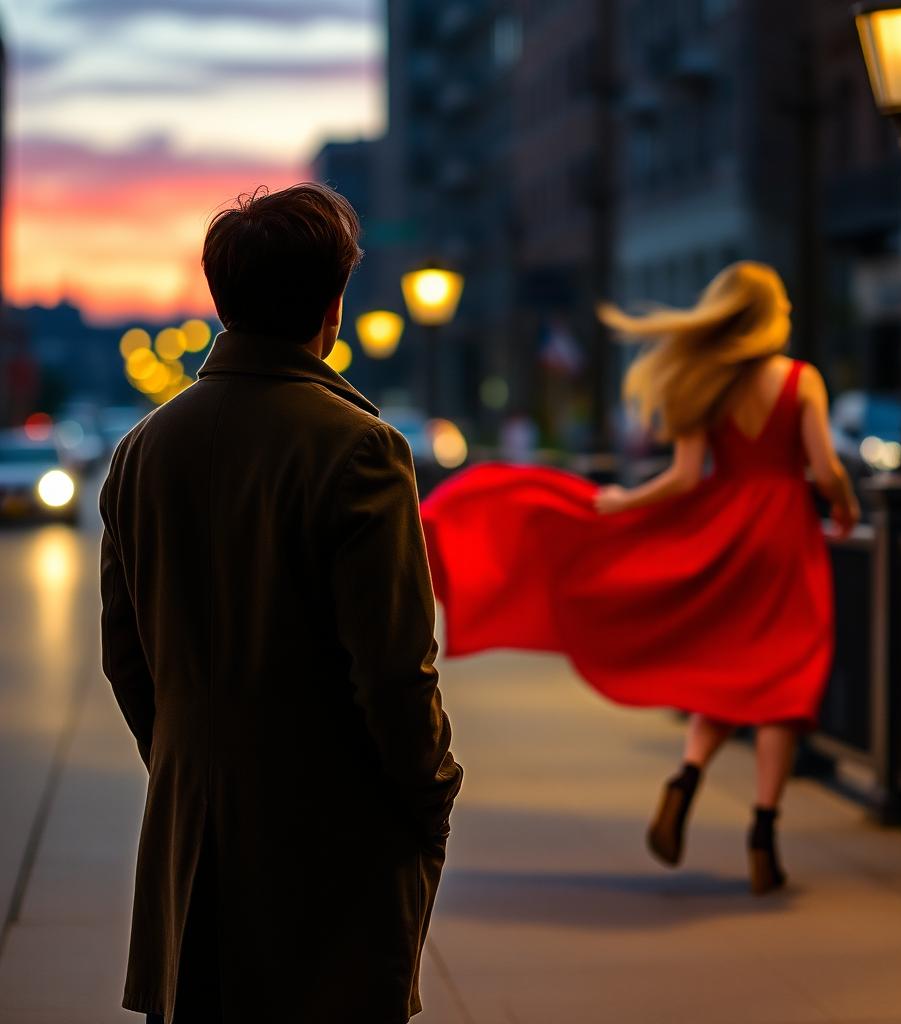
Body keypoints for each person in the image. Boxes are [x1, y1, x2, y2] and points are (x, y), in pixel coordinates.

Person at [99, 183, 462, 1024]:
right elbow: (395, 668)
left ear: (223, 301)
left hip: (189, 846)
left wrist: (190, 765)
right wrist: (430, 792)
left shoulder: (143, 453)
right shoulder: (362, 449)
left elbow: (127, 660)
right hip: (327, 847)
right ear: (333, 306)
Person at [421, 262, 857, 895]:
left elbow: (683, 478)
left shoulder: (705, 382)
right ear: (768, 315)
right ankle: (764, 828)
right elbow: (825, 467)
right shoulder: (800, 380)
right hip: (786, 534)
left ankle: (685, 779)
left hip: (727, 533)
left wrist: (622, 503)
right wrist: (843, 507)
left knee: (727, 670)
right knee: (782, 681)